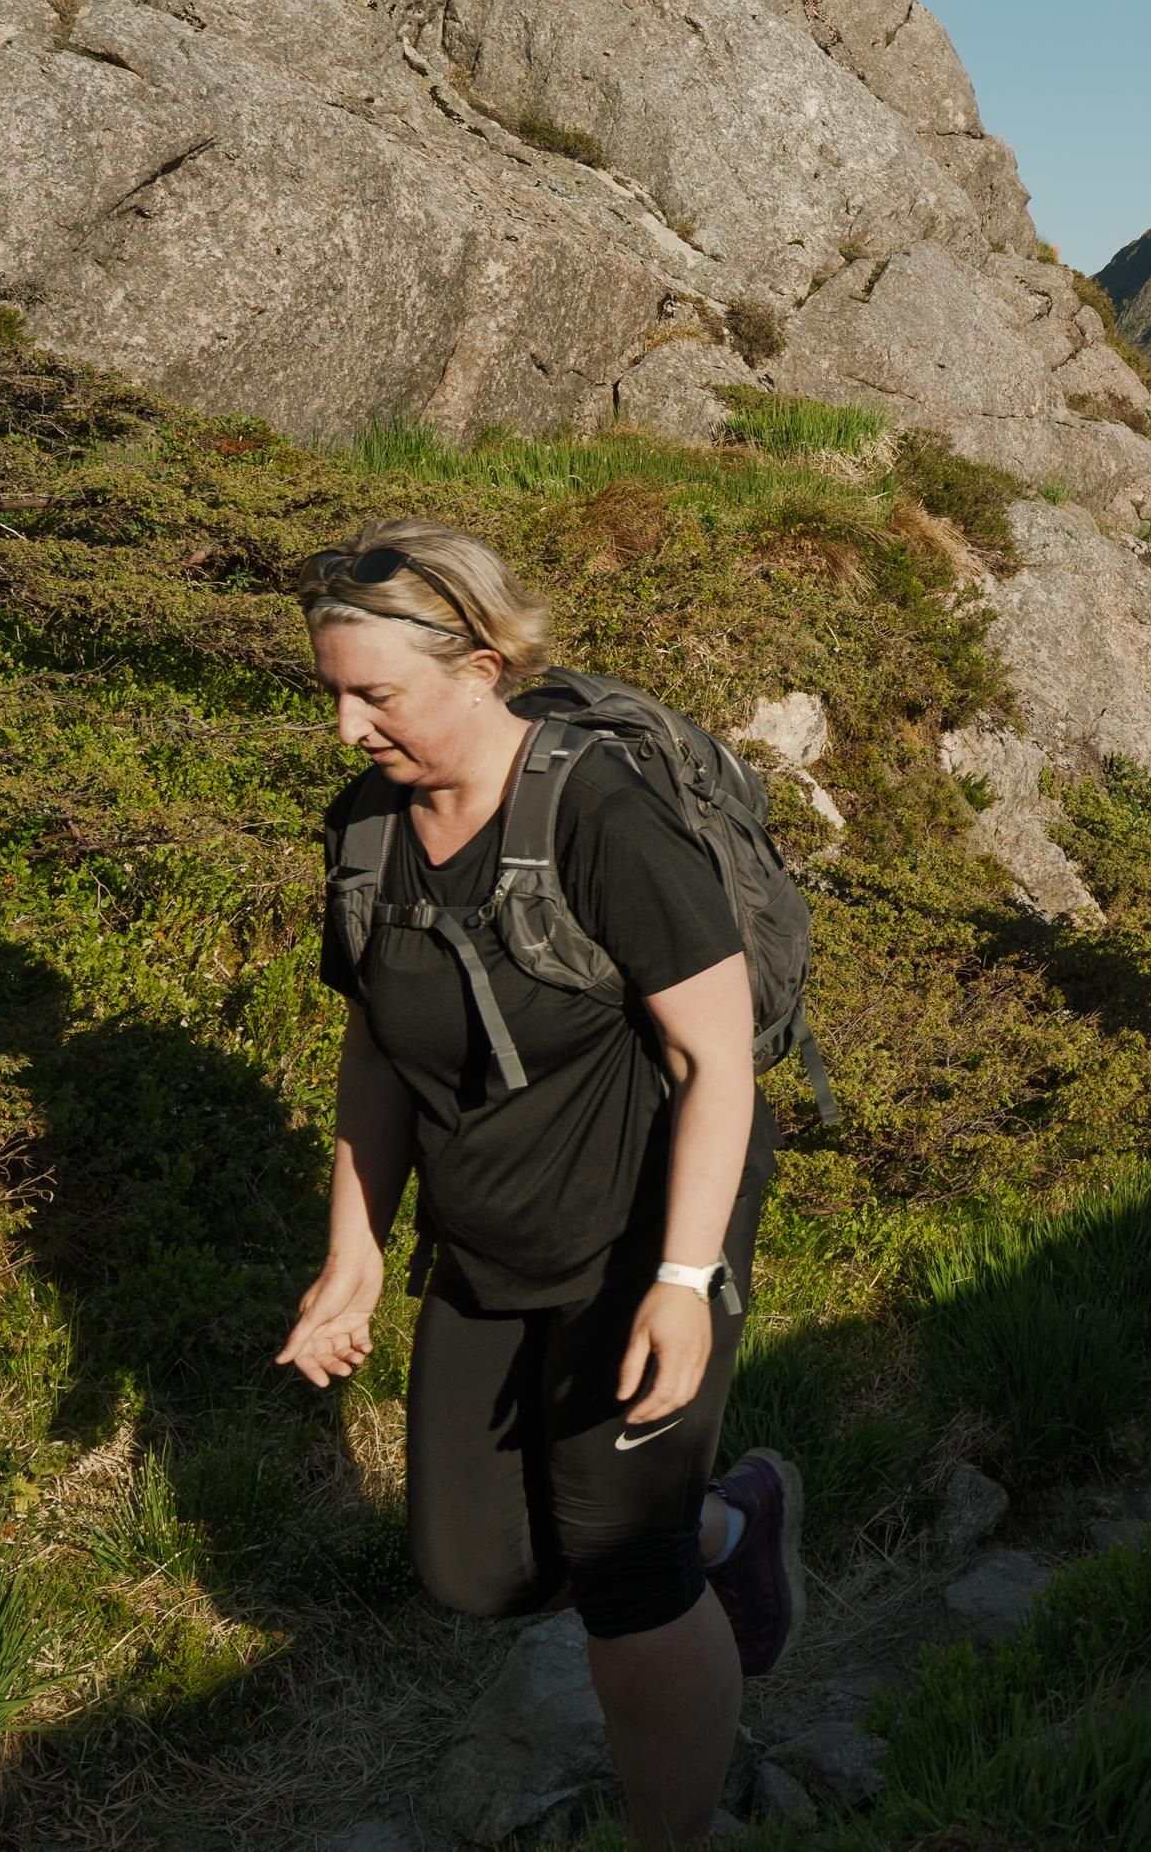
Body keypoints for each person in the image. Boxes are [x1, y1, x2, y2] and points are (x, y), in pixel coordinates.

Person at [271, 522, 801, 1852]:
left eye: (375, 695)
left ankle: (675, 1828)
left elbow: (716, 1059)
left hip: (646, 1219)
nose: (346, 729)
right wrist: (355, 1251)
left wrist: (684, 1280)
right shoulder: (366, 831)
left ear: (481, 667)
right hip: (490, 1232)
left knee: (623, 1565)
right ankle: (734, 1525)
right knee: (480, 1569)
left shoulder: (598, 816)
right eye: (332, 693)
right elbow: (377, 1052)